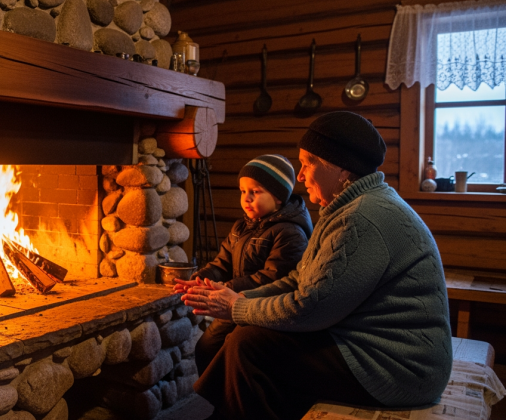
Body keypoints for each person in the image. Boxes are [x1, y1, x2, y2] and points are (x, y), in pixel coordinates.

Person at [176, 111, 453, 420]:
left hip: (400, 366)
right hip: (366, 342)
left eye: (308, 163)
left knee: (249, 345)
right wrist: (236, 299)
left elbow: (309, 308)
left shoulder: (361, 217)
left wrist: (237, 308)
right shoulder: (346, 207)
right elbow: (299, 279)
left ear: (340, 168)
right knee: (249, 336)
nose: (301, 175)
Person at [185, 154, 312, 375]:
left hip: (261, 311)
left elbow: (272, 277)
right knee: (207, 348)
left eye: (255, 191)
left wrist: (227, 288)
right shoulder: (242, 227)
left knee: (235, 357)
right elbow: (223, 261)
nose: (247, 198)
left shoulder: (290, 232)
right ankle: (222, 402)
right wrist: (203, 277)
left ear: (278, 196)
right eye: (243, 191)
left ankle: (234, 403)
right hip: (233, 301)